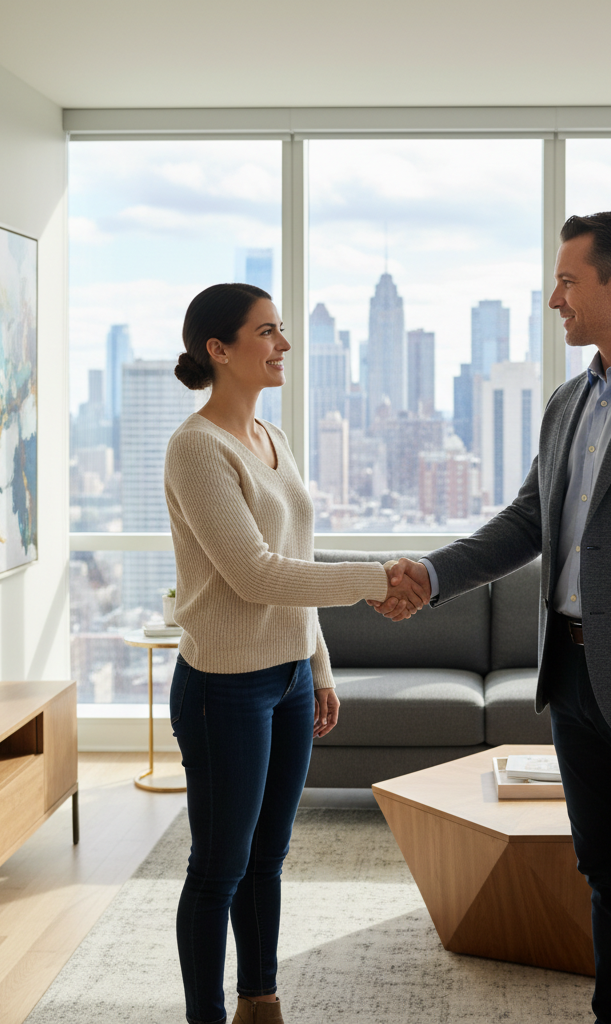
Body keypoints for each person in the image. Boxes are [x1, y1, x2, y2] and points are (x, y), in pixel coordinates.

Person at [376, 212, 611, 1024]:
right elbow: (527, 522)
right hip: (575, 676)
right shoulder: (568, 401)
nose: (555, 298)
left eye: (567, 280)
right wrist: (434, 573)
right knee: (608, 878)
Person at [164, 282, 428, 1024]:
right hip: (225, 689)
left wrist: (317, 668)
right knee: (219, 868)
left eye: (282, 330)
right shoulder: (197, 448)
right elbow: (255, 574)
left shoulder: (272, 437)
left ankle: (260, 998)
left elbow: (295, 555)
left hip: (285, 681)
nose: (283, 345)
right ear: (219, 350)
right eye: (267, 332)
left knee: (267, 857)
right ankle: (204, 1016)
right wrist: (378, 578)